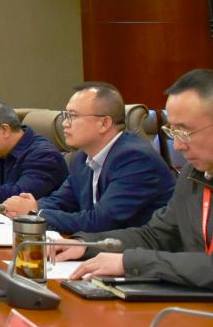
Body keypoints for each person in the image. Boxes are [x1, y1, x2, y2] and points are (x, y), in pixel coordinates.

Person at [57, 69, 213, 288]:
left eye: (185, 132)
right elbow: (155, 235)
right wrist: (86, 244)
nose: (177, 145)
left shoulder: (136, 157)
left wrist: (129, 262)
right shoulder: (192, 175)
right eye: (173, 132)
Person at [2, 82, 173, 234]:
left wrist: (35, 214)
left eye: (73, 116)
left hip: (140, 253)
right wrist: (31, 207)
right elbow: (62, 201)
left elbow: (102, 222)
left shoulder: (135, 159)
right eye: (65, 116)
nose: (65, 123)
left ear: (104, 123)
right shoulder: (82, 157)